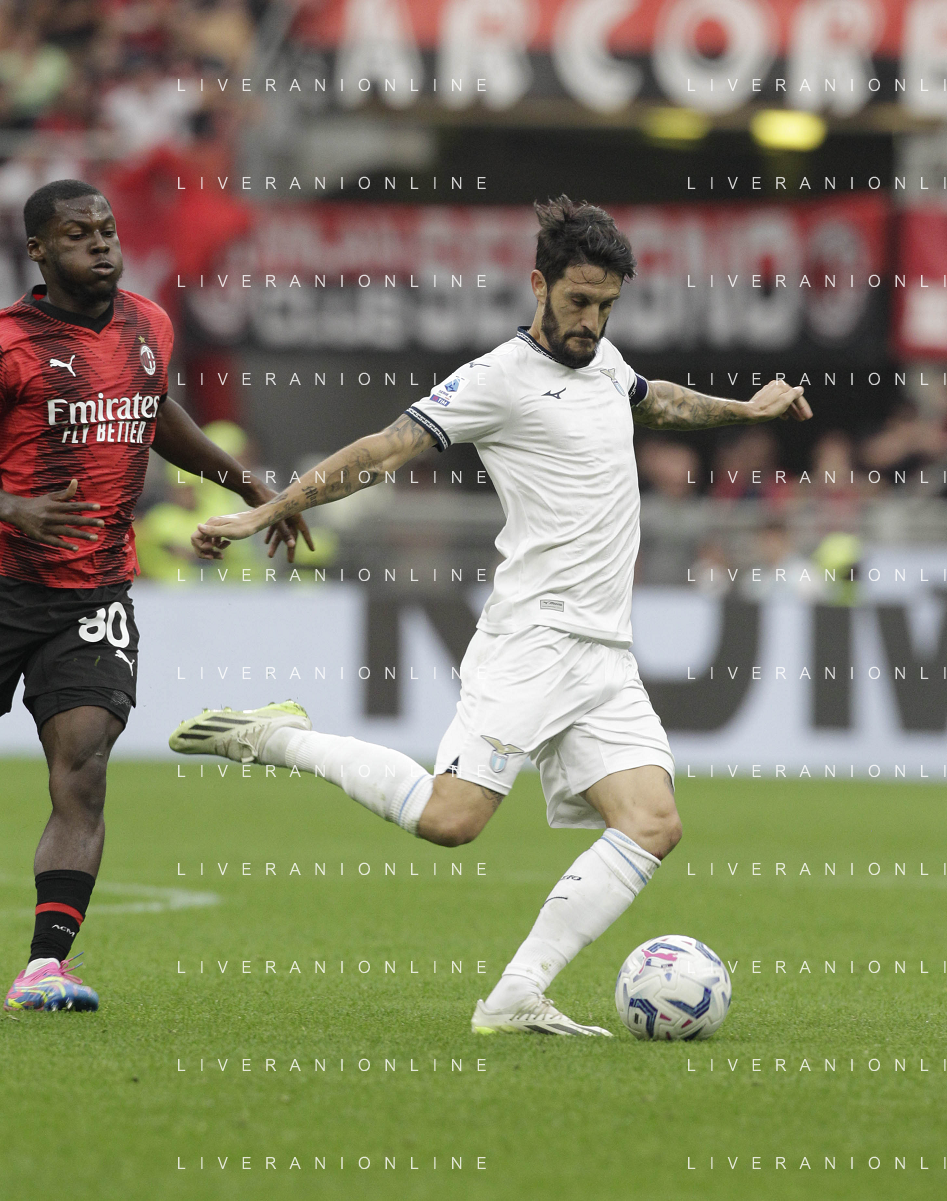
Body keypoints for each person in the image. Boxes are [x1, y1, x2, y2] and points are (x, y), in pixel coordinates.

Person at [170, 195, 812, 1036]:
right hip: (532, 639)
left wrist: (744, 409)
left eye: (606, 306)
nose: (591, 322)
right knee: (451, 820)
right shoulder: (495, 379)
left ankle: (514, 997)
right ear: (537, 285)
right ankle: (279, 736)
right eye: (577, 302)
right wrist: (266, 509)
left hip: (603, 652)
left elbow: (651, 398)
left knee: (652, 823)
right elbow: (383, 449)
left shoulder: (604, 362)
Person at [0, 178, 311, 1013]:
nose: (100, 243)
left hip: (94, 591)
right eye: (77, 234)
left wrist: (248, 484)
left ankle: (44, 967)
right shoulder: (2, 344)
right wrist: (13, 506)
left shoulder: (149, 325)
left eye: (106, 229)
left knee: (84, 766)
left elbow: (154, 412)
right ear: (38, 251)